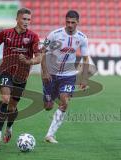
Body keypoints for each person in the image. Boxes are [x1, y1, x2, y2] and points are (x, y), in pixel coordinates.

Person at [0, 8, 41, 148]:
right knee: (5, 99)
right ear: (17, 19)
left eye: (29, 19)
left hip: (21, 76)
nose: (26, 22)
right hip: (6, 71)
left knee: (12, 107)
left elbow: (39, 57)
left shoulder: (33, 37)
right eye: (24, 19)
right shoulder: (5, 33)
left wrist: (29, 61)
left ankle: (9, 127)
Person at [41, 10, 90, 143]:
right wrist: (44, 72)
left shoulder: (82, 38)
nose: (70, 25)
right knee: (48, 106)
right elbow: (42, 52)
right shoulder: (54, 35)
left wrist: (84, 78)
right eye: (67, 22)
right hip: (51, 74)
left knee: (64, 102)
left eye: (73, 22)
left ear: (77, 22)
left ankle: (50, 135)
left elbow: (85, 58)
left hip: (68, 75)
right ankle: (51, 96)